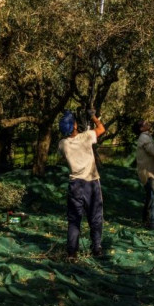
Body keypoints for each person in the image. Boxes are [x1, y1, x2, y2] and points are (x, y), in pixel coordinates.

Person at [58, 109, 106, 259]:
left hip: (75, 184)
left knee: (74, 220)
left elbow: (63, 156)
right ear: (74, 126)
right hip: (91, 183)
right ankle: (96, 248)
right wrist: (93, 117)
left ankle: (72, 253)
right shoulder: (87, 136)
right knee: (95, 217)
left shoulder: (63, 144)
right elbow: (101, 129)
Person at [133, 120, 154, 230]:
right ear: (141, 129)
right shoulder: (144, 138)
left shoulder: (147, 137)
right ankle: (153, 224)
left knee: (151, 197)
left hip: (151, 172)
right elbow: (153, 152)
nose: (147, 123)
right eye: (144, 123)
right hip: (148, 173)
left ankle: (147, 221)